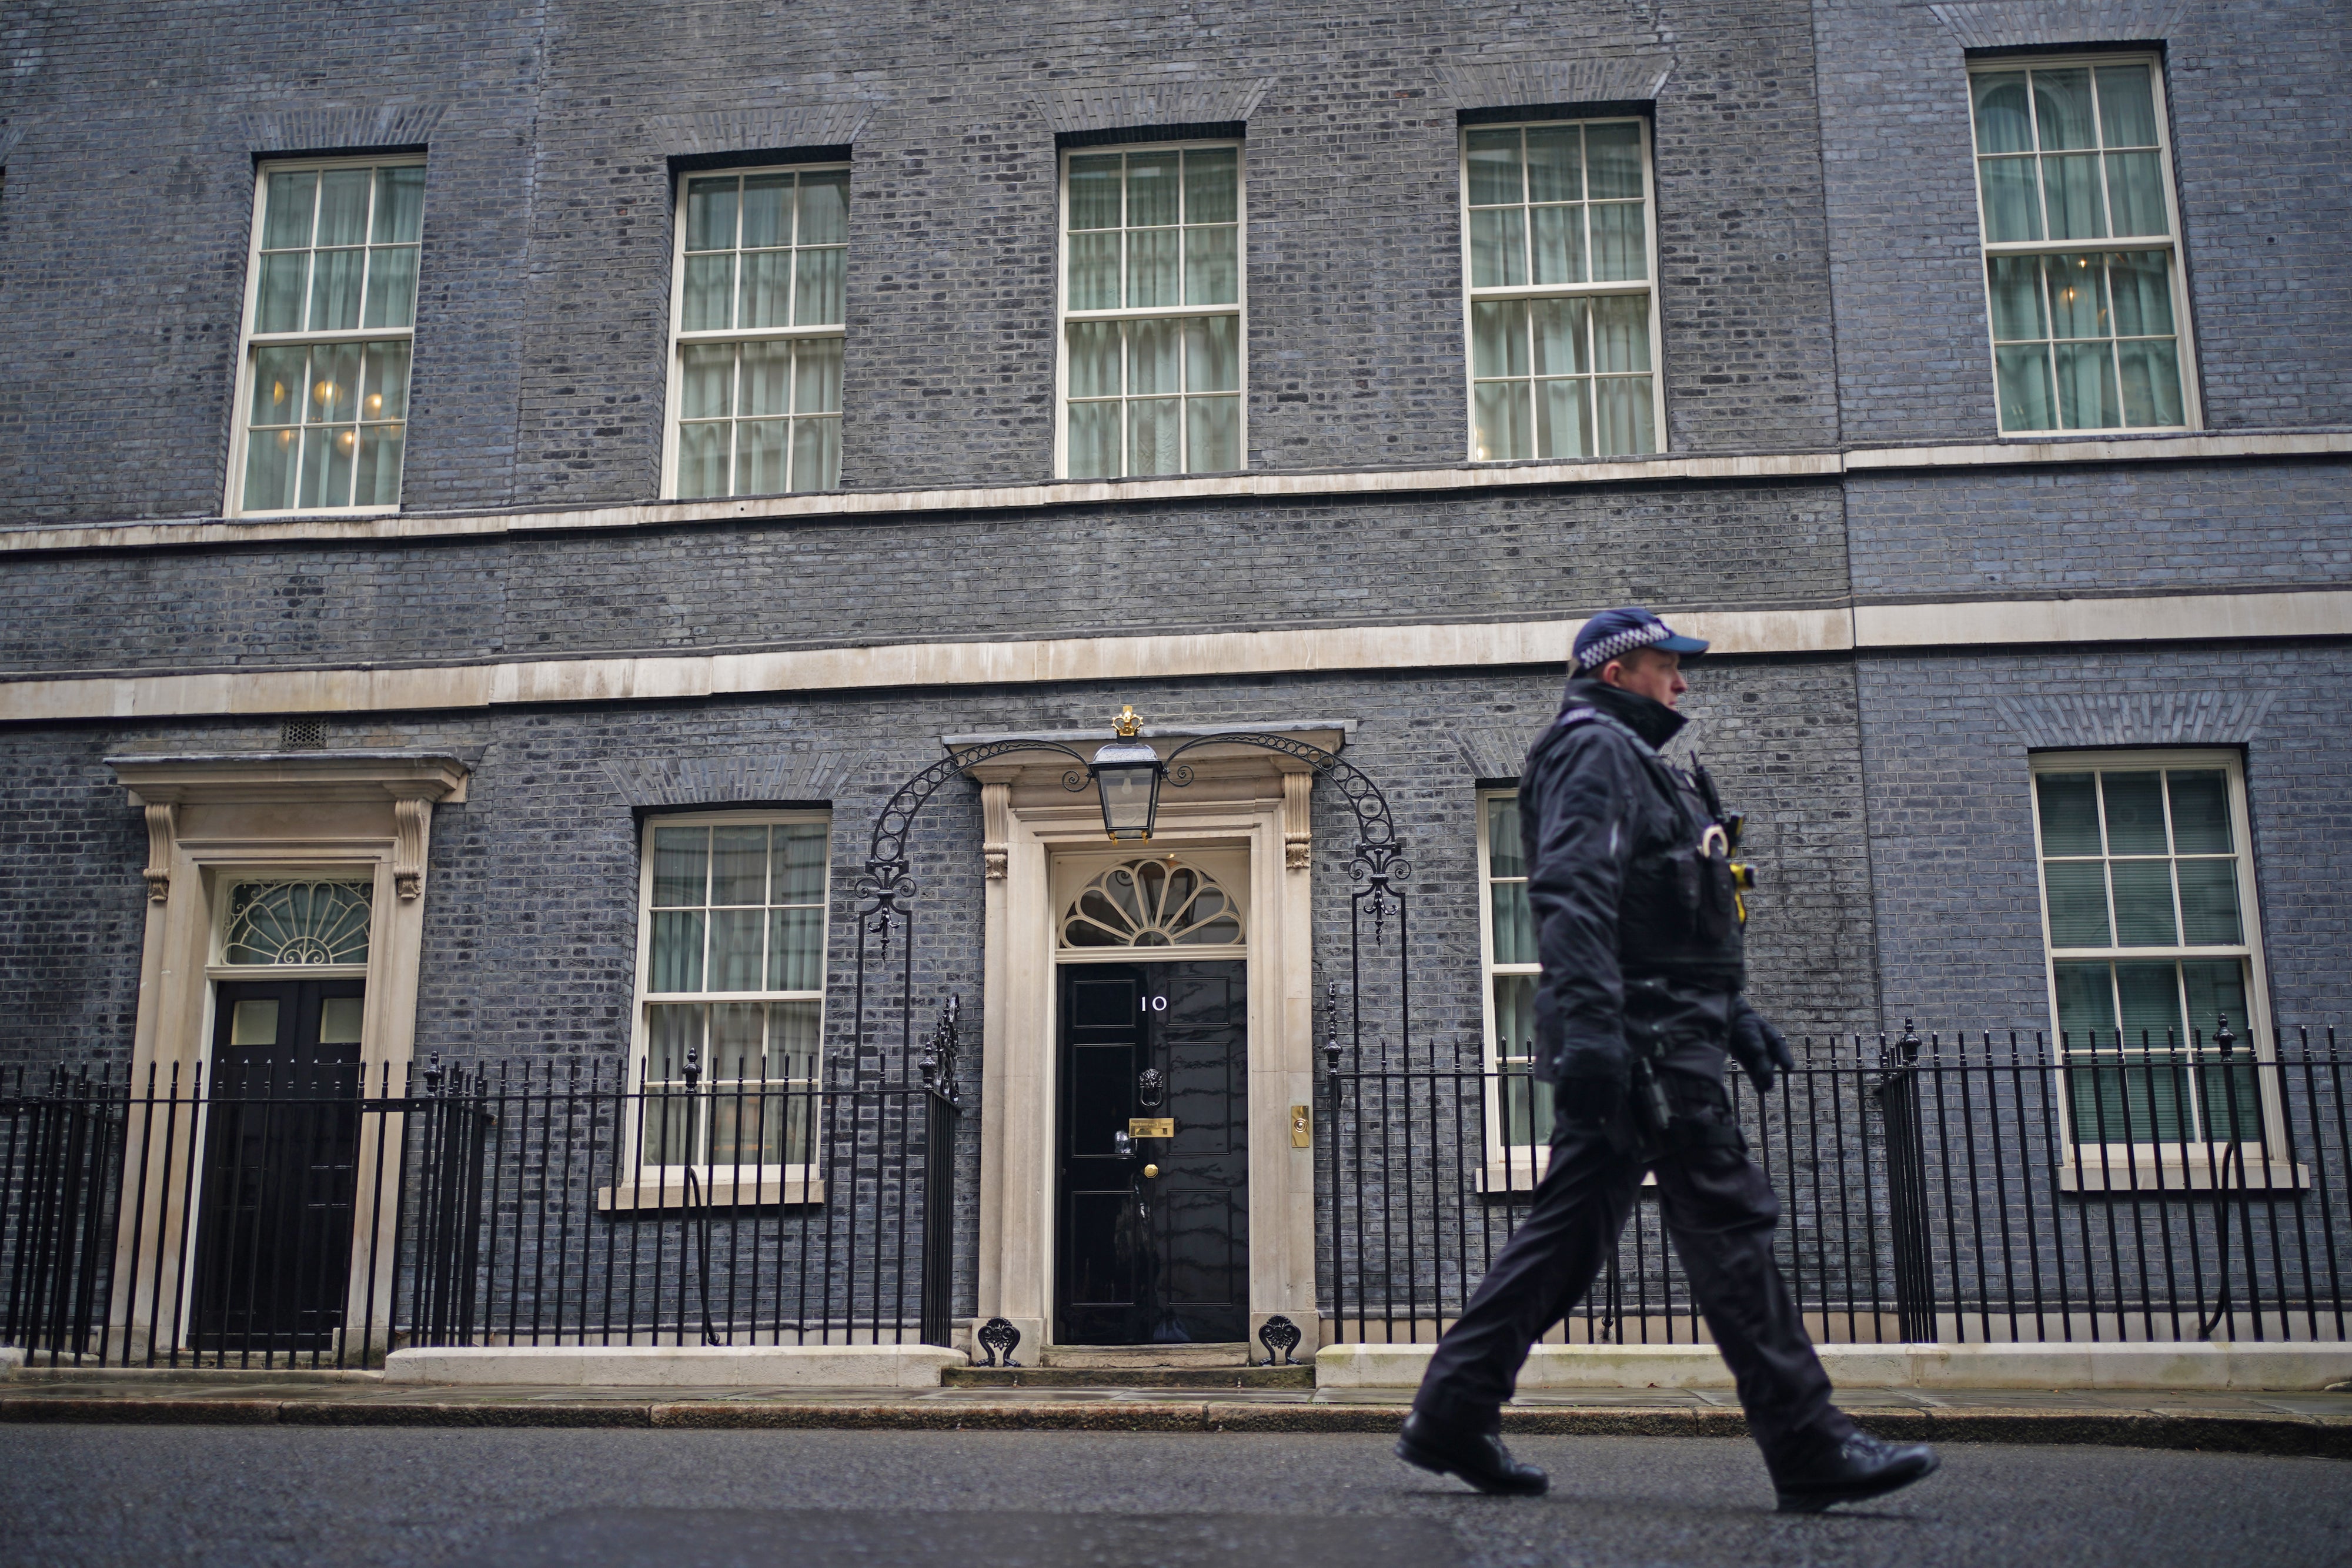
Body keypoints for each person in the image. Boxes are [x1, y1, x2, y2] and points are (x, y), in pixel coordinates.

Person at [1395, 606, 1940, 1514]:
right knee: (1728, 1226)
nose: (1682, 684)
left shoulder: (1647, 767)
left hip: (1658, 1029)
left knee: (1567, 1242)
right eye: (1666, 666)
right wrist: (1604, 1032)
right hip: (1644, 1045)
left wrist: (1735, 1014)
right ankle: (1807, 1443)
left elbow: (1673, 918)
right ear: (1617, 673)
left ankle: (1452, 1414)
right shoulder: (1593, 750)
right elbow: (1575, 891)